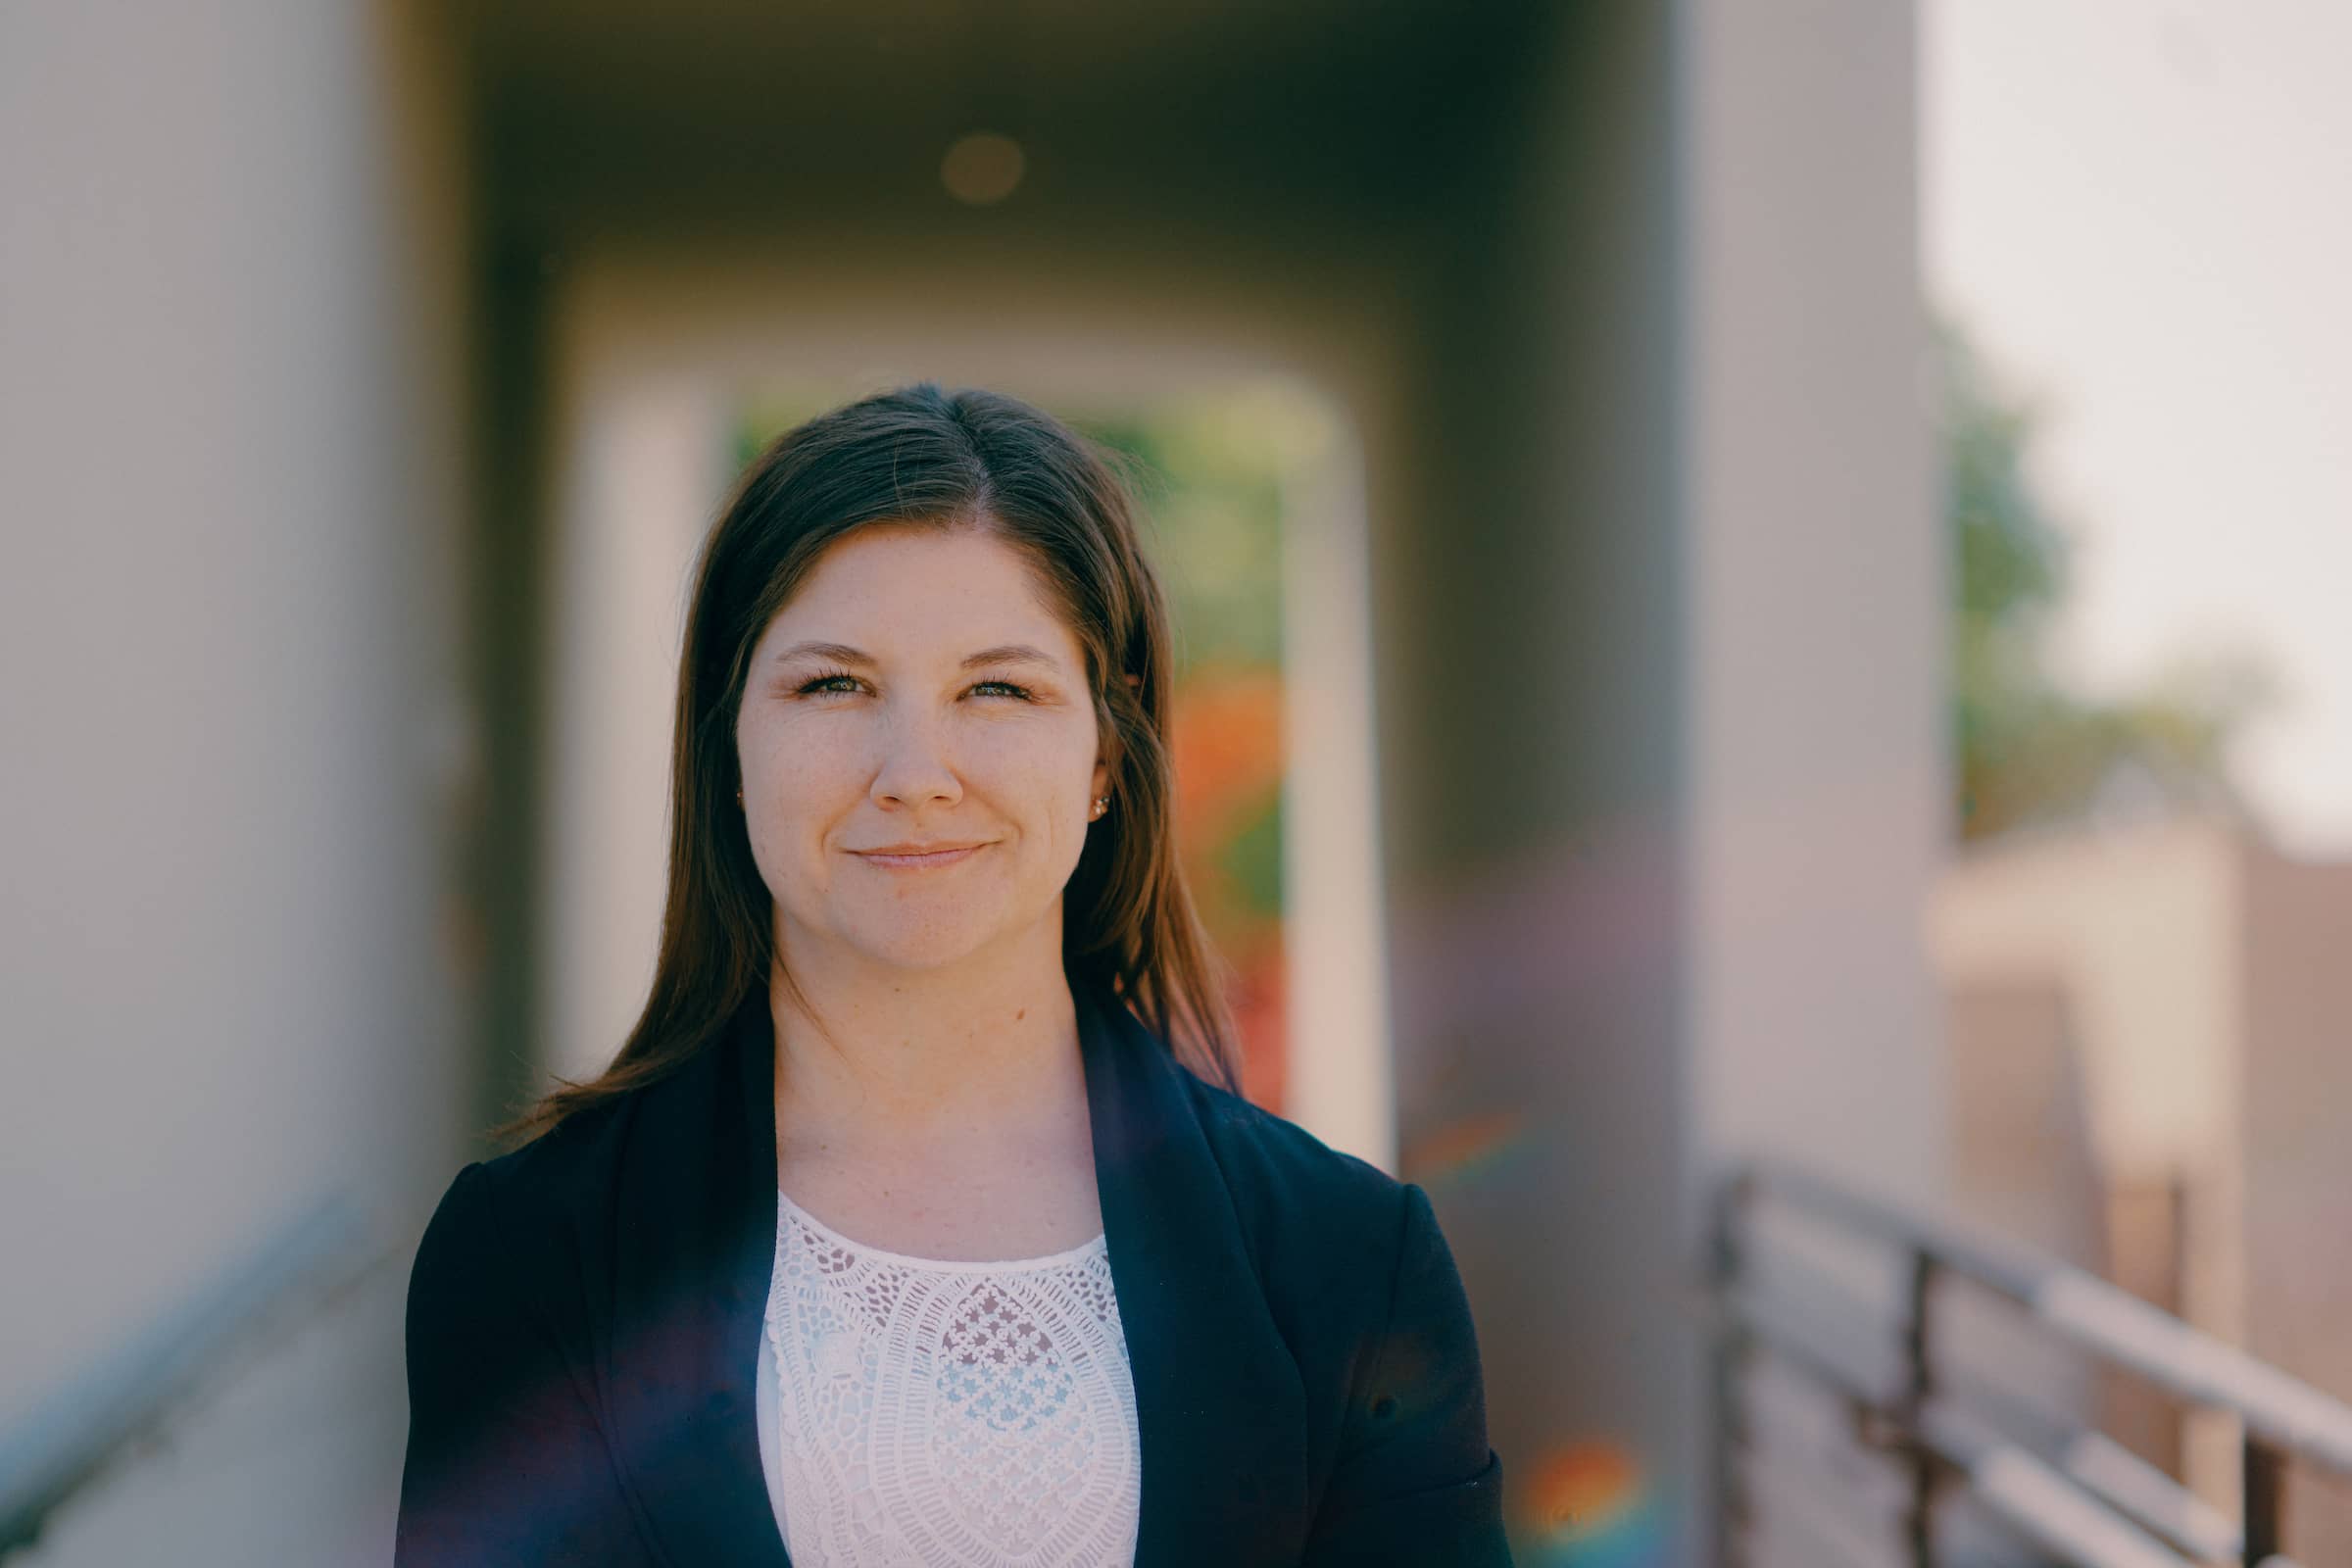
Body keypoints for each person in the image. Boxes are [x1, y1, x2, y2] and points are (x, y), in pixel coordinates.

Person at [394, 383, 1511, 1566]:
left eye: (999, 688)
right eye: (834, 684)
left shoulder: (1350, 1259)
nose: (916, 772)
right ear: (729, 738)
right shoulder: (535, 1247)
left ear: (1103, 752)